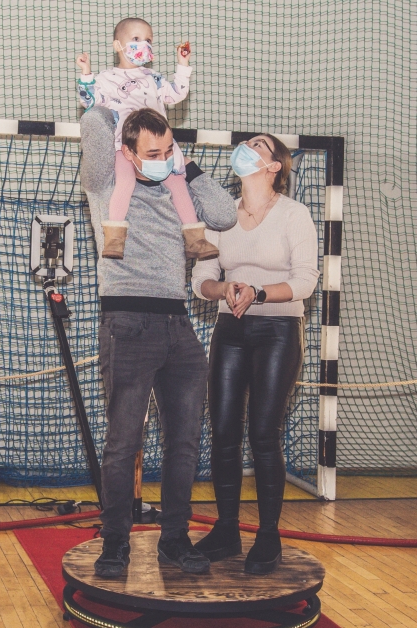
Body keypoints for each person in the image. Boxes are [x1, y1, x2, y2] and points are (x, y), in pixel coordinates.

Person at [80, 105, 238, 577]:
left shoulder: (176, 185)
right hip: (127, 322)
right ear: (127, 152)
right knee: (123, 442)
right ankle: (115, 543)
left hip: (177, 325)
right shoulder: (105, 183)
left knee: (184, 441)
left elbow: (224, 215)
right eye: (152, 153)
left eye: (168, 149)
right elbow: (92, 124)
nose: (162, 158)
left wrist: (185, 165)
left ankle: (174, 539)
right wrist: (119, 94)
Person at [190, 134, 319, 575]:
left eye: (258, 145)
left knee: (264, 434)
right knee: (224, 431)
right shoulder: (220, 216)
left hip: (278, 330)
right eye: (245, 142)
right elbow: (201, 279)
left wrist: (259, 292)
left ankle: (268, 536)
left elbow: (306, 281)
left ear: (274, 166)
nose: (247, 146)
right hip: (229, 329)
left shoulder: (294, 214)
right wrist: (223, 288)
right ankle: (227, 530)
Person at [75, 17, 223, 261]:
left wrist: (183, 65)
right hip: (124, 146)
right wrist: (86, 73)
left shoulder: (154, 78)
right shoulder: (107, 78)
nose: (143, 44)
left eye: (148, 40)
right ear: (117, 45)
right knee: (124, 181)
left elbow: (176, 95)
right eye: (136, 39)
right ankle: (114, 236)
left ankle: (195, 239)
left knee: (178, 184)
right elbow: (90, 102)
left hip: (159, 145)